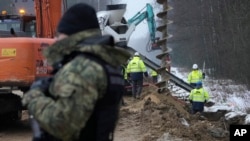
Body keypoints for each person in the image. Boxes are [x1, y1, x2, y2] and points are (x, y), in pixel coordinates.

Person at [22, 3, 130, 141]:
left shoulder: (82, 69)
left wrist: (34, 96)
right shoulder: (105, 64)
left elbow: (62, 126)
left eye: (59, 34)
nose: (56, 39)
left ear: (70, 34)